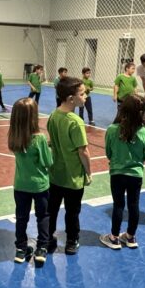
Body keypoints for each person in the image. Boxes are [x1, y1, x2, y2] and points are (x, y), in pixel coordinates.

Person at [38, 76, 91, 265]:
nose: (86, 96)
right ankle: (71, 241)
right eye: (82, 94)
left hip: (55, 175)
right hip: (73, 177)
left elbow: (51, 141)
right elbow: (83, 151)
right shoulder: (76, 122)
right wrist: (89, 172)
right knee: (72, 212)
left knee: (51, 210)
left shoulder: (53, 116)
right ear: (71, 98)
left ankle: (48, 239)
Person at [99, 93, 145, 250]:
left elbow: (108, 153)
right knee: (134, 205)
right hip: (135, 175)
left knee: (118, 205)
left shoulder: (112, 130)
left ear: (123, 109)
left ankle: (114, 238)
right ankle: (130, 236)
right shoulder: (144, 132)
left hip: (117, 173)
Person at [8, 97, 51, 264]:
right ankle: (42, 248)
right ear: (33, 117)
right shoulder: (39, 139)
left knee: (21, 218)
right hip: (39, 185)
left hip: (20, 185)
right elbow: (48, 162)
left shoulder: (14, 137)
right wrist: (50, 148)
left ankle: (20, 249)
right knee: (43, 216)